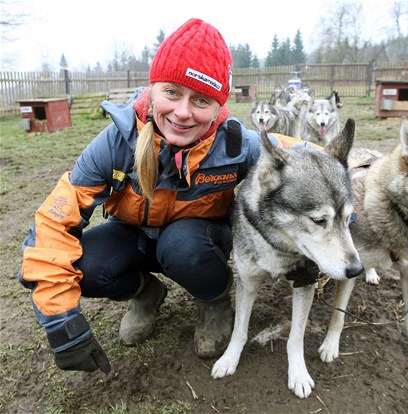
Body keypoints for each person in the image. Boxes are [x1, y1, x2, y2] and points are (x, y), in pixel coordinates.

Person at [19, 18, 306, 374]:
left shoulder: (237, 145)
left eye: (201, 99)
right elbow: (52, 226)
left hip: (196, 243)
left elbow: (308, 161)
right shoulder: (115, 143)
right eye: (171, 92)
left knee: (182, 245)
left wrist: (332, 222)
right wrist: (62, 326)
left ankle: (215, 301)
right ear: (152, 90)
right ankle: (146, 293)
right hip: (134, 236)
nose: (183, 113)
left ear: (219, 108)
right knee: (84, 266)